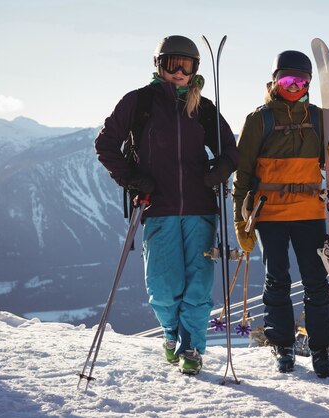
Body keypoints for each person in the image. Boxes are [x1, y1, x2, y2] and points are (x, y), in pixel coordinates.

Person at [94, 35, 238, 375]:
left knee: (198, 284)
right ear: (159, 65)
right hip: (157, 206)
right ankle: (171, 333)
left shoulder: (203, 108)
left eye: (185, 66)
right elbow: (106, 144)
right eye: (172, 63)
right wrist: (131, 178)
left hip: (201, 209)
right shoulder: (139, 102)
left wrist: (218, 171)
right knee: (162, 285)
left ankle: (192, 346)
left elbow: (231, 151)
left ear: (194, 70)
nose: (178, 71)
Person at [232, 50, 329, 378]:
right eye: (287, 80)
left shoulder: (318, 117)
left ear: (310, 83)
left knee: (316, 281)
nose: (294, 86)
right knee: (277, 280)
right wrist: (241, 222)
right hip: (269, 214)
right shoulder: (260, 120)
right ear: (274, 81)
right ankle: (283, 345)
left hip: (309, 211)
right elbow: (242, 175)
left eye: (301, 81)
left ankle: (320, 347)